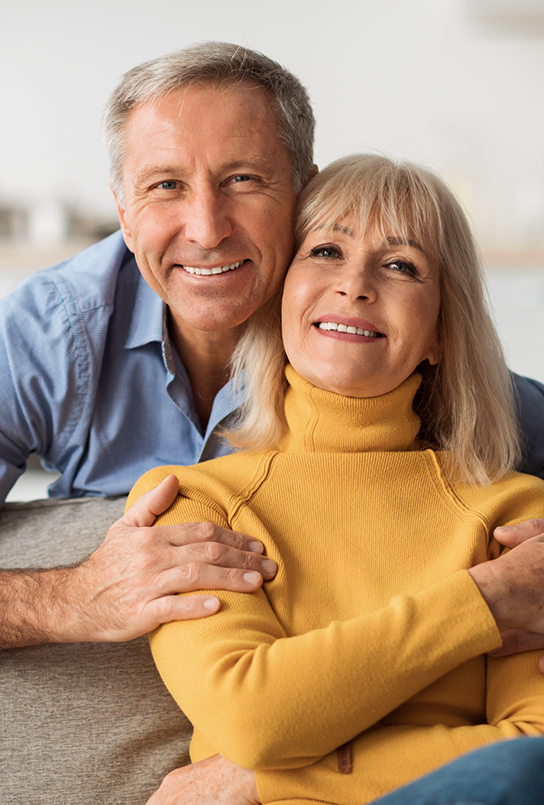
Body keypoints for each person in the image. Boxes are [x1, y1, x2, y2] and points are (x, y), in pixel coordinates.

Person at [128, 155, 544, 805]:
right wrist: (484, 600)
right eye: (325, 250)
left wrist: (261, 778)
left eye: (401, 264)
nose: (355, 285)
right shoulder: (193, 502)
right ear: (281, 295)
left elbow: (530, 754)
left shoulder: (520, 513)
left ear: (440, 330)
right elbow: (253, 719)